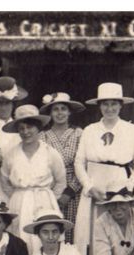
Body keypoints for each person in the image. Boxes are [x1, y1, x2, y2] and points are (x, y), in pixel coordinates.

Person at [74, 82, 134, 255]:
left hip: (120, 188)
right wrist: (89, 186)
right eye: (105, 104)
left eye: (114, 104)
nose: (110, 108)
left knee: (117, 234)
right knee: (88, 232)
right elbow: (79, 162)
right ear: (99, 106)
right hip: (94, 186)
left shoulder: (131, 130)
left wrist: (129, 186)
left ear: (121, 105)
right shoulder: (90, 130)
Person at [0, 104, 67, 255]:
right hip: (19, 203)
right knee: (20, 241)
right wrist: (19, 196)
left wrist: (50, 198)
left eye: (30, 127)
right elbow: (5, 182)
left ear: (38, 128)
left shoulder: (50, 153)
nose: (26, 132)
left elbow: (61, 181)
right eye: (21, 128)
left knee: (43, 239)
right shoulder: (11, 154)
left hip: (43, 202)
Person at [39, 92, 86, 244]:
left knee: (73, 233)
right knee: (51, 229)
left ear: (69, 112)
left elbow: (84, 165)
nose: (59, 113)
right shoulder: (42, 136)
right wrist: (53, 192)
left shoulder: (79, 134)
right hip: (50, 191)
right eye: (55, 109)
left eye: (63, 109)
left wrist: (69, 192)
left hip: (74, 191)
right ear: (50, 113)